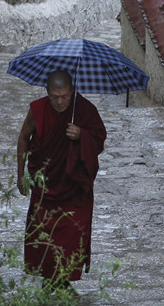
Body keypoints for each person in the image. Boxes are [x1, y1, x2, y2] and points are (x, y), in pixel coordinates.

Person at [16, 69, 107, 292]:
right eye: (54, 96)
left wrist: (81, 134)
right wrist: (20, 175)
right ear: (47, 92)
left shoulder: (85, 110)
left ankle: (62, 279)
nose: (59, 102)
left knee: (72, 231)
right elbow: (23, 138)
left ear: (72, 91)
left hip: (74, 185)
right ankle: (51, 278)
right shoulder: (37, 109)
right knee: (43, 230)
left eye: (64, 96)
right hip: (45, 183)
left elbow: (99, 140)